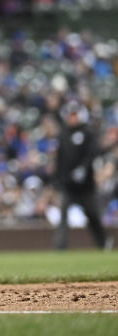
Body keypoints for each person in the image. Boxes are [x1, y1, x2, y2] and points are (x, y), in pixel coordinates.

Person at [53, 100, 114, 249]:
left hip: (85, 186)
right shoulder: (63, 134)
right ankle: (60, 247)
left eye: (74, 115)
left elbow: (93, 153)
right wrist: (57, 180)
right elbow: (60, 159)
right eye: (70, 115)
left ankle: (103, 243)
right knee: (63, 215)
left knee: (93, 216)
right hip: (68, 185)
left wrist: (83, 168)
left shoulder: (88, 132)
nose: (72, 118)